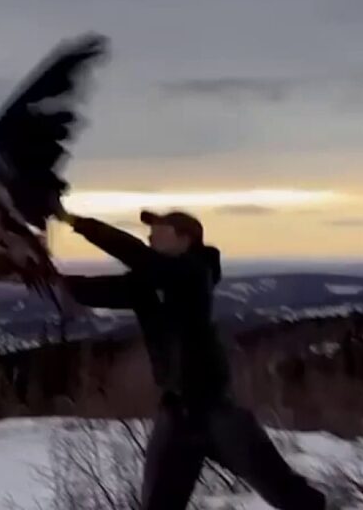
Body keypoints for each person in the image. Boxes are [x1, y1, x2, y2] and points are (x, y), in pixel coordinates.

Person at [54, 207, 327, 510]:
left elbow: (142, 258)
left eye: (160, 228)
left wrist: (77, 223)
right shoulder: (151, 282)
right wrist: (45, 275)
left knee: (287, 493)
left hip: (215, 411)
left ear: (185, 239)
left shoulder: (195, 271)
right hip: (176, 415)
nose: (150, 234)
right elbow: (99, 291)